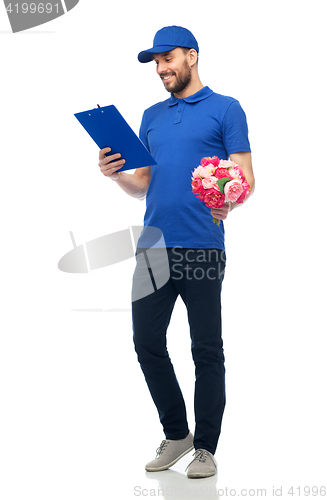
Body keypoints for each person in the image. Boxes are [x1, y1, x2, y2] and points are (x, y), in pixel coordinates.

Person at [98, 25, 255, 478]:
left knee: (205, 349)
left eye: (168, 59)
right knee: (146, 343)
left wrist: (228, 198)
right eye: (156, 62)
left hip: (202, 243)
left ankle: (205, 447)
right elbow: (142, 184)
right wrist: (115, 175)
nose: (161, 68)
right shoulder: (150, 114)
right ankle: (177, 433)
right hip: (152, 245)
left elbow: (245, 177)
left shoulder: (227, 109)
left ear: (192, 56)